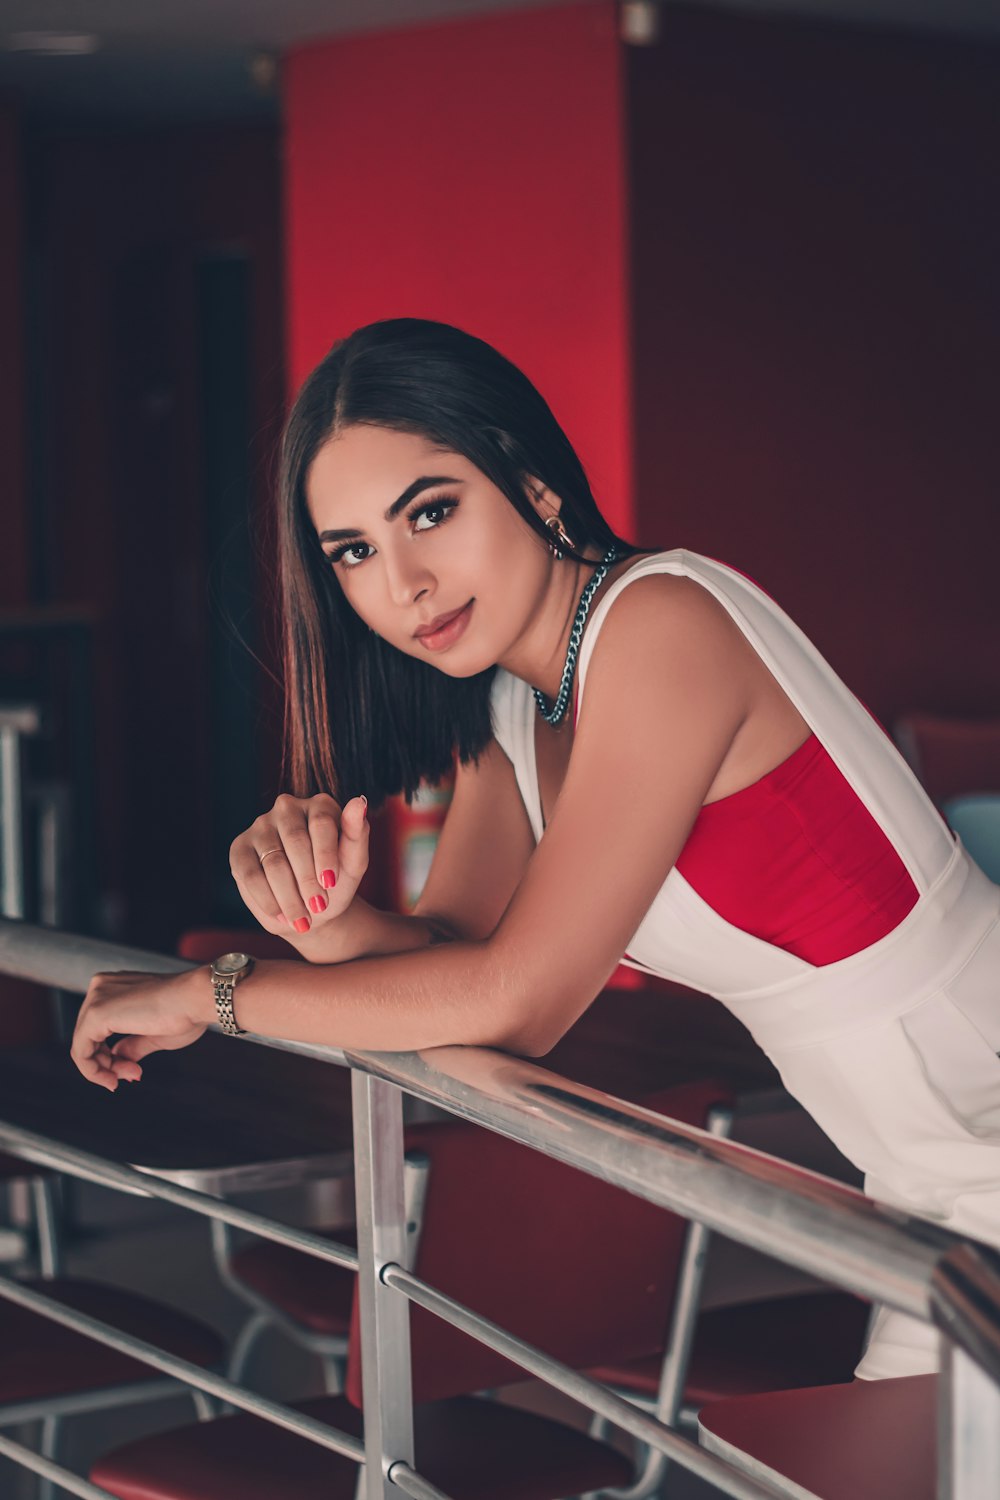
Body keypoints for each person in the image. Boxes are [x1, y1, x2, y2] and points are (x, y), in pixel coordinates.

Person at [70, 317, 1000, 1380]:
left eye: (431, 511)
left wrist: (210, 993)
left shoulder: (661, 627)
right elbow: (452, 955)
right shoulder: (516, 704)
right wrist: (325, 920)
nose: (405, 582)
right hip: (923, 1178)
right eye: (357, 553)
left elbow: (517, 998)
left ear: (535, 484)